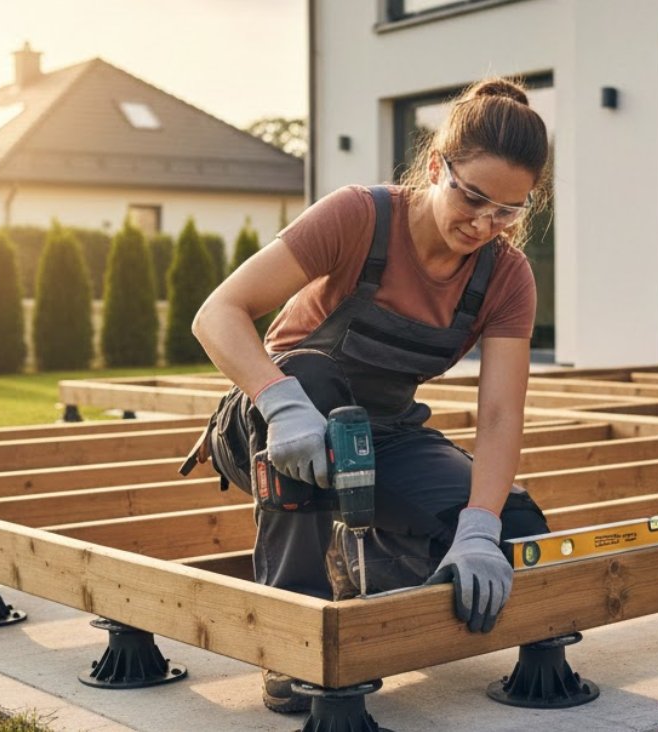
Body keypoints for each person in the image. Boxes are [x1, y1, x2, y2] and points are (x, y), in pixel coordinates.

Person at [188, 76, 552, 713]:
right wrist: (279, 400)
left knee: (515, 530)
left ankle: (368, 568)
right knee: (319, 389)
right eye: (472, 198)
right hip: (274, 424)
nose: (485, 223)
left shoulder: (506, 275)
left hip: (383, 433)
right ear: (437, 165)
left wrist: (478, 527)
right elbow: (217, 312)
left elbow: (499, 415)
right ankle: (288, 643)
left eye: (508, 211)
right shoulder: (360, 216)